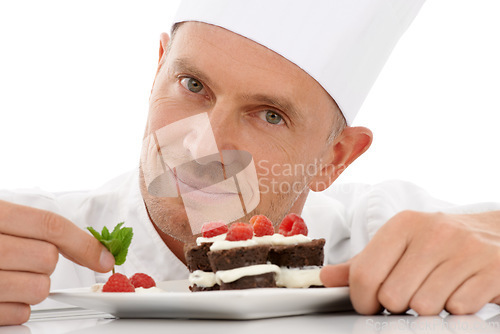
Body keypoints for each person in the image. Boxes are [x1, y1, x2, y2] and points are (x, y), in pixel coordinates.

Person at [1, 0, 500, 326]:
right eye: (193, 85)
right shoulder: (24, 243)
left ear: (335, 157)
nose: (206, 145)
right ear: (158, 69)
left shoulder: (381, 238)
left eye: (269, 115)